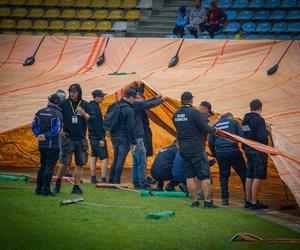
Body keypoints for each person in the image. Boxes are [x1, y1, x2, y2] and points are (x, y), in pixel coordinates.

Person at [173, 92, 217, 208]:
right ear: (191, 101)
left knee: (190, 176)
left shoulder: (176, 114)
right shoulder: (194, 113)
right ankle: (208, 203)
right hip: (196, 148)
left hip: (183, 149)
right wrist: (215, 130)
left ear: (182, 100)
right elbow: (205, 128)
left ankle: (194, 202)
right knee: (205, 176)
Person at [54, 84, 94, 194]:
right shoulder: (64, 104)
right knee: (64, 163)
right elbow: (56, 116)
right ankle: (57, 183)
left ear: (79, 92)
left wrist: (84, 114)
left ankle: (76, 187)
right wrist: (59, 129)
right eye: (70, 91)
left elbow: (92, 118)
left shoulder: (85, 104)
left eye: (74, 91)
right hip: (68, 138)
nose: (72, 93)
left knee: (80, 163)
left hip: (81, 139)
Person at [208, 112, 247, 206]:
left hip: (221, 153)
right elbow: (242, 136)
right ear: (230, 117)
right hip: (233, 151)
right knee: (243, 174)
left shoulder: (215, 125)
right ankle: (248, 196)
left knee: (224, 176)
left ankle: (224, 198)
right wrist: (244, 149)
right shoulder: (234, 122)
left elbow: (210, 142)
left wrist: (215, 154)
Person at [132, 92, 165, 189]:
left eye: (139, 98)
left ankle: (137, 182)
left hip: (140, 136)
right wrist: (162, 100)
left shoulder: (137, 106)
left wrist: (155, 98)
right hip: (139, 137)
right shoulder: (137, 106)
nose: (138, 99)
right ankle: (142, 183)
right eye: (136, 98)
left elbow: (147, 103)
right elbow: (149, 104)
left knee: (138, 161)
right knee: (141, 161)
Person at [32, 94, 62, 196]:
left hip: (41, 144)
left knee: (43, 166)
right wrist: (47, 136)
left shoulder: (40, 112)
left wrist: (38, 135)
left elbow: (34, 125)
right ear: (58, 102)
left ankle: (38, 189)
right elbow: (57, 129)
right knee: (49, 167)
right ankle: (46, 190)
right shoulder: (57, 113)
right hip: (52, 144)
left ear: (49, 101)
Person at [243, 99, 269, 210]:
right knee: (258, 175)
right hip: (258, 151)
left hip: (248, 150)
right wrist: (267, 131)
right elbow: (262, 137)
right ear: (260, 108)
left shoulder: (245, 120)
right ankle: (254, 203)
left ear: (250, 108)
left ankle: (248, 201)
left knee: (250, 175)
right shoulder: (259, 120)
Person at [109, 89, 137, 184]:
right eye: (135, 98)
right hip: (124, 138)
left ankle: (111, 179)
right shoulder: (129, 110)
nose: (135, 100)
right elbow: (130, 127)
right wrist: (133, 142)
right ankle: (116, 181)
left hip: (113, 136)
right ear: (130, 97)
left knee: (116, 158)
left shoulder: (115, 105)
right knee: (121, 160)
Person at [87, 89, 109, 184]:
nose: (103, 98)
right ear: (96, 98)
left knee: (94, 156)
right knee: (104, 157)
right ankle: (103, 178)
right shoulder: (95, 108)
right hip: (98, 136)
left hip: (92, 136)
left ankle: (93, 178)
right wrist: (101, 138)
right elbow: (97, 124)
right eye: (101, 96)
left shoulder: (90, 106)